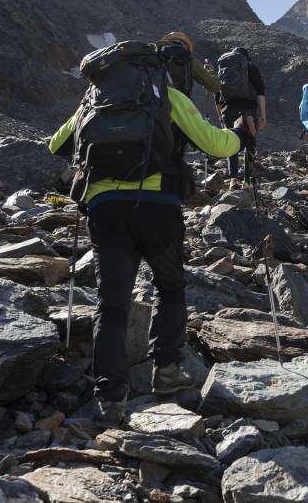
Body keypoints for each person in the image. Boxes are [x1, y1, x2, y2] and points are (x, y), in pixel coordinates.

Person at [48, 41, 248, 426]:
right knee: (169, 286)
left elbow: (56, 145)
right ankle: (166, 371)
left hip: (105, 209)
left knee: (112, 302)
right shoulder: (167, 96)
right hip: (159, 205)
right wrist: (240, 134)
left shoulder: (93, 100)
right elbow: (216, 145)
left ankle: (110, 399)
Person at [216, 47, 266, 188]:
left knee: (231, 142)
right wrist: (263, 115)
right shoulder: (251, 68)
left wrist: (221, 117)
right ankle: (247, 180)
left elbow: (217, 98)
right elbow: (260, 93)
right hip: (248, 108)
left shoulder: (223, 70)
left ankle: (234, 179)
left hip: (228, 109)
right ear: (245, 58)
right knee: (249, 141)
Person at [156, 32, 220, 98]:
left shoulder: (153, 57)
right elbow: (215, 86)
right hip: (178, 101)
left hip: (153, 101)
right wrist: (210, 70)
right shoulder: (185, 58)